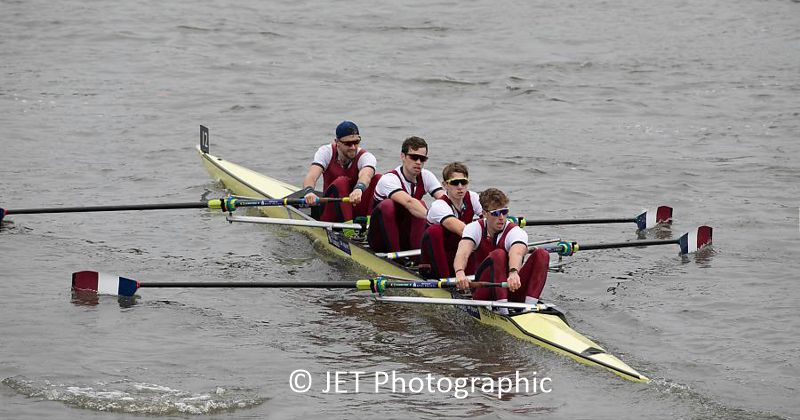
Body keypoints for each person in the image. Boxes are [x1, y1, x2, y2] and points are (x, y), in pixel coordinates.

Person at [452, 188, 550, 315]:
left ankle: (529, 308)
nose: (501, 217)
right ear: (484, 213)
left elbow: (517, 252)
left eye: (504, 212)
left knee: (542, 254)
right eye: (496, 213)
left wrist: (514, 272)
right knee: (498, 254)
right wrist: (460, 272)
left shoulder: (515, 231)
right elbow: (463, 252)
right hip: (485, 291)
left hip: (511, 286)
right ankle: (503, 310)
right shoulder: (474, 228)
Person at [368, 136, 444, 253]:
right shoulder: (389, 179)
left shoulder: (426, 176)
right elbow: (409, 202)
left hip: (404, 235)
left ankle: (417, 257)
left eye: (422, 159)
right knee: (392, 205)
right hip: (380, 238)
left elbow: (444, 200)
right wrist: (435, 218)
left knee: (427, 206)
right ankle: (397, 258)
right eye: (414, 157)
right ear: (402, 156)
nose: (418, 162)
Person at [301, 121, 380, 223]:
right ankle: (348, 230)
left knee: (378, 178)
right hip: (332, 210)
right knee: (341, 182)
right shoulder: (326, 152)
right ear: (337, 142)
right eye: (348, 143)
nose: (353, 147)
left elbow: (366, 175)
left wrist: (359, 189)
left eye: (356, 142)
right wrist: (309, 192)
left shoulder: (366, 157)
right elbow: (312, 175)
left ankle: (370, 225)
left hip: (356, 207)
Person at [419, 162, 482, 279]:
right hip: (436, 262)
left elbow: (490, 218)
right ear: (445, 185)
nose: (460, 187)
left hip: (459, 256)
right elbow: (461, 229)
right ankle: (446, 281)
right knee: (435, 230)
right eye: (454, 182)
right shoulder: (439, 205)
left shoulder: (473, 198)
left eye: (463, 182)